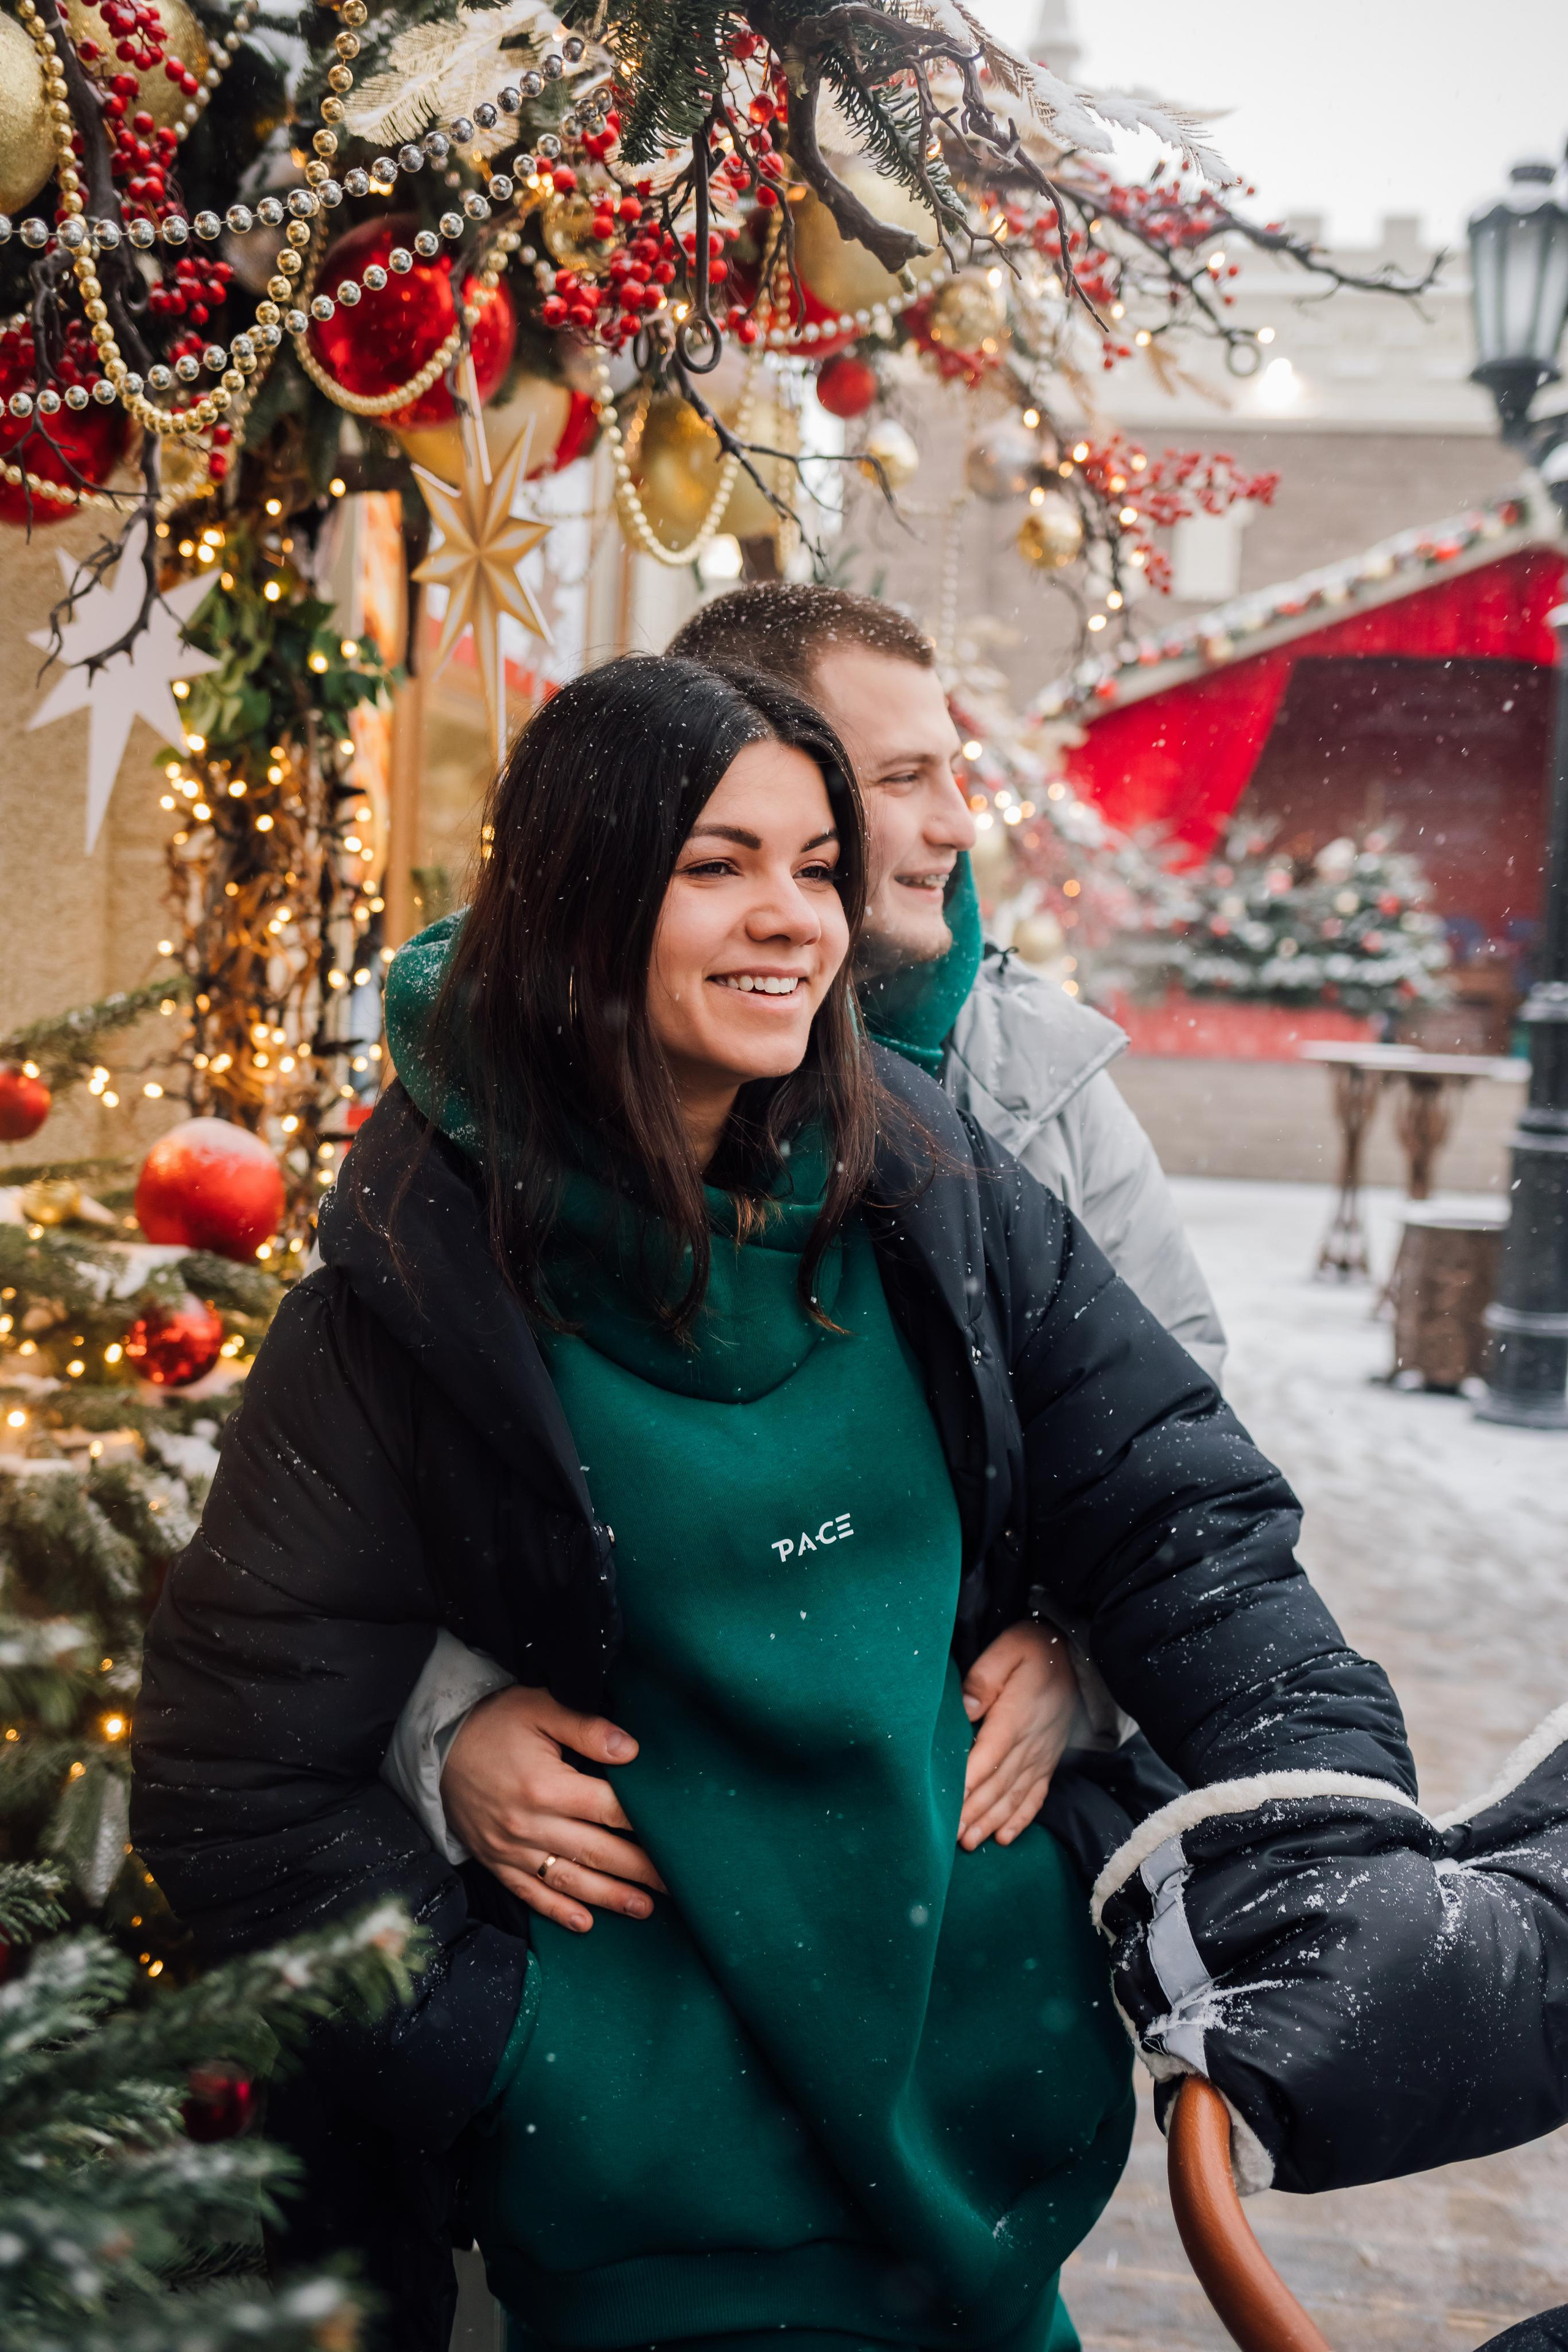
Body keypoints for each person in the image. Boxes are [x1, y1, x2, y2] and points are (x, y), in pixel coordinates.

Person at [131, 655, 1412, 2352]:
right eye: (717, 864)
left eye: (815, 867)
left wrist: (1337, 1843)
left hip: (1004, 2158)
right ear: (583, 893)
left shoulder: (937, 1192)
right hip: (652, 2237)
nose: (793, 919)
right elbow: (236, 1780)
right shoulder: (414, 1291)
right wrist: (515, 2056)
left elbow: (1189, 1531)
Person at [406, 584, 1222, 1916]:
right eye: (901, 778)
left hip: (962, 1888)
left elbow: (1174, 1428)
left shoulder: (1038, 1087)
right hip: (637, 1896)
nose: (955, 823)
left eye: (951, 772)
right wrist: (450, 1730)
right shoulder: (489, 1098)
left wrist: (1084, 1655)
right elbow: (363, 1518)